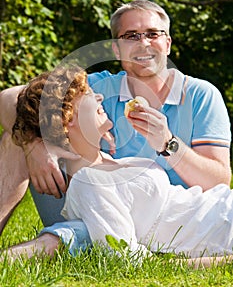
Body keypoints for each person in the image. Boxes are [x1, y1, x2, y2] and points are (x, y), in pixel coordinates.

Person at [0, 0, 231, 254]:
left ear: (167, 43)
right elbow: (10, 97)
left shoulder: (200, 95)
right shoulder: (97, 90)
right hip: (91, 207)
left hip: (174, 221)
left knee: (95, 232)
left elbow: (218, 181)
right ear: (116, 49)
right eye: (131, 36)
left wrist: (169, 143)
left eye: (153, 34)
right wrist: (36, 147)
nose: (144, 43)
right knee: (18, 135)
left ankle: (47, 247)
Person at [2, 65, 233, 269]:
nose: (101, 97)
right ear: (68, 117)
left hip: (223, 206)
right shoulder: (87, 183)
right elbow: (127, 258)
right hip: (222, 230)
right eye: (90, 95)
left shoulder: (114, 163)